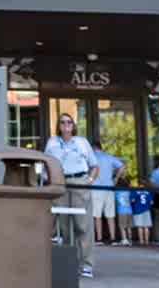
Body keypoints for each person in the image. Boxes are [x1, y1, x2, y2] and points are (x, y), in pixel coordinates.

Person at [43, 112, 97, 278]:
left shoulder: (82, 142)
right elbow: (46, 163)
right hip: (60, 183)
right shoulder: (52, 143)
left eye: (69, 122)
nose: (66, 124)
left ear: (73, 125)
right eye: (62, 122)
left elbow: (94, 165)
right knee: (65, 227)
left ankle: (87, 264)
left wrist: (89, 180)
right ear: (58, 126)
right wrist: (47, 178)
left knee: (83, 225)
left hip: (79, 181)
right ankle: (69, 263)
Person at [91, 148, 126, 245]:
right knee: (110, 215)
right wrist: (116, 178)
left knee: (97, 215)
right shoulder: (109, 157)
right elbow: (122, 166)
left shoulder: (91, 156)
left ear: (93, 148)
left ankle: (99, 239)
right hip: (109, 188)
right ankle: (113, 238)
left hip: (96, 188)